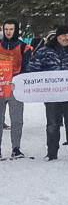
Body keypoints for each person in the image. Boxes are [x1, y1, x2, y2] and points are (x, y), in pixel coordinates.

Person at [25, 25, 68, 160]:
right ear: (57, 37)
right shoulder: (45, 51)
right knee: (52, 124)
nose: (66, 38)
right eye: (63, 35)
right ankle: (52, 152)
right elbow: (32, 69)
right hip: (52, 95)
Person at [0, 19, 32, 159]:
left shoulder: (23, 47)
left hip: (15, 88)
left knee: (17, 119)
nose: (8, 32)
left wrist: (19, 82)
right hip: (0, 87)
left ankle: (16, 148)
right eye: (6, 29)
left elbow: (26, 69)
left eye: (11, 29)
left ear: (16, 30)